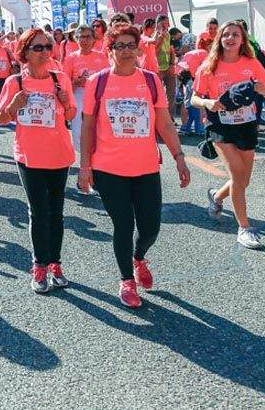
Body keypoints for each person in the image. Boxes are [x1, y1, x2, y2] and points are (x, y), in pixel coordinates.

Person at [78, 25, 190, 309]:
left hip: (146, 167)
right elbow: (88, 126)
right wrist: (84, 166)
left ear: (139, 49)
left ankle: (139, 257)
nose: (126, 51)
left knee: (151, 227)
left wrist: (178, 157)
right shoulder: (97, 82)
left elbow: (164, 122)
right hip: (108, 167)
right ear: (110, 50)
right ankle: (126, 280)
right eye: (120, 46)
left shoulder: (151, 81)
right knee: (123, 224)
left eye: (131, 45)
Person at [0, 29, 77, 293]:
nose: (44, 52)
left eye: (47, 47)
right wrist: (13, 106)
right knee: (38, 212)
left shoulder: (60, 79)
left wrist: (66, 102)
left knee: (57, 213)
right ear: (25, 53)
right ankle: (39, 264)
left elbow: (71, 112)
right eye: (37, 48)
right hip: (29, 156)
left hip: (59, 154)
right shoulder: (14, 83)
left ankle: (55, 263)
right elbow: (1, 119)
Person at [190, 21, 265, 249]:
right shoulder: (209, 66)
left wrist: (263, 90)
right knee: (238, 176)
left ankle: (217, 197)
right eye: (226, 34)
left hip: (247, 125)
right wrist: (207, 102)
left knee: (243, 181)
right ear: (219, 38)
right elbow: (194, 98)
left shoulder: (252, 64)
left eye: (235, 35)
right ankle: (245, 228)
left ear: (242, 39)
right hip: (221, 126)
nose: (230, 38)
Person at [64, 25, 106, 189]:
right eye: (81, 37)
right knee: (80, 136)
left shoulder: (102, 57)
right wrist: (76, 82)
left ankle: (95, 173)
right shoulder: (70, 58)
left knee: (98, 135)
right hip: (79, 98)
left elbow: (108, 80)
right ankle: (86, 169)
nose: (85, 40)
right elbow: (64, 85)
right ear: (76, 38)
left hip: (98, 99)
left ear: (94, 39)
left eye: (88, 37)